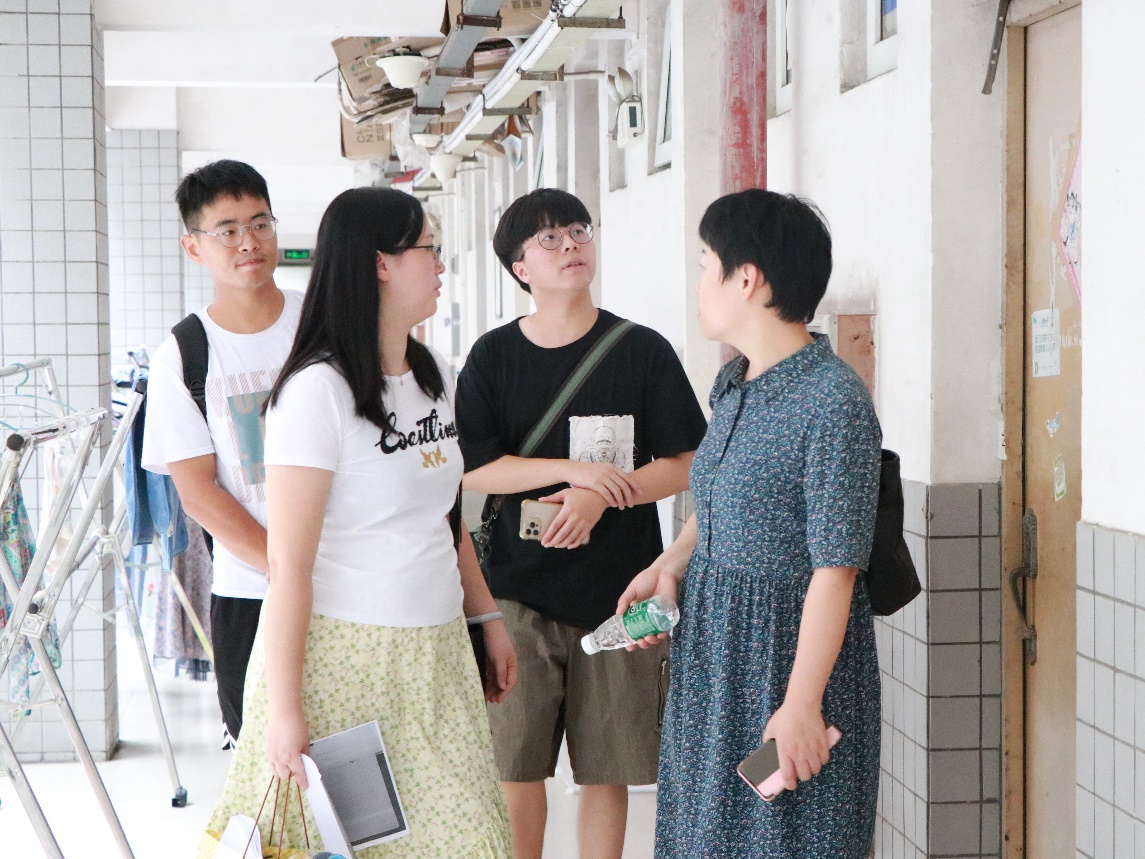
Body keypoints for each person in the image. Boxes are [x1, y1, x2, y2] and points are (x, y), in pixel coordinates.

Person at [203, 187, 515, 858]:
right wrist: (284, 711)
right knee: (356, 846)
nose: (441, 264)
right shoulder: (316, 391)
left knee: (469, 839)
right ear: (380, 263)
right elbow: (288, 566)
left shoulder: (432, 375)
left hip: (436, 654)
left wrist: (485, 617)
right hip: (344, 661)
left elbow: (445, 517)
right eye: (429, 248)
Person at [619, 189, 882, 857]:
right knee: (705, 834)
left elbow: (836, 569)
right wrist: (668, 565)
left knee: (784, 836)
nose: (698, 284)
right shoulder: (734, 382)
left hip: (784, 659)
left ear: (747, 279)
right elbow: (716, 504)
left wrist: (800, 705)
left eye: (705, 266)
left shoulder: (832, 401)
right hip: (714, 655)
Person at [455, 188, 707, 859]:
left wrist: (606, 495)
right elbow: (474, 468)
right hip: (516, 592)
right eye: (548, 239)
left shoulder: (640, 350)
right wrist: (575, 473)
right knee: (515, 765)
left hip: (619, 593)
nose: (569, 245)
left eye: (577, 231)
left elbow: (688, 462)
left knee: (607, 769)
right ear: (519, 267)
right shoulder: (493, 356)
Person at [142, 160, 303, 747]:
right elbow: (199, 493)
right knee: (268, 761)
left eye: (260, 223)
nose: (249, 242)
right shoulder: (183, 355)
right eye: (227, 230)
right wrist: (289, 572)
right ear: (194, 247)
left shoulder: (324, 322)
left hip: (356, 577)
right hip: (254, 591)